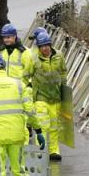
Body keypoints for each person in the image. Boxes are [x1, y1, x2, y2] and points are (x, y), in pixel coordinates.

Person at [25, 31, 67, 161]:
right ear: (38, 47)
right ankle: (41, 150)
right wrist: (29, 88)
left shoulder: (59, 56)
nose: (44, 48)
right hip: (40, 98)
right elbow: (26, 75)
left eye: (46, 45)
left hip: (55, 97)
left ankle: (54, 151)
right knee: (43, 125)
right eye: (41, 46)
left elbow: (63, 71)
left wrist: (64, 86)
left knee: (54, 126)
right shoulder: (33, 58)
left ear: (50, 45)